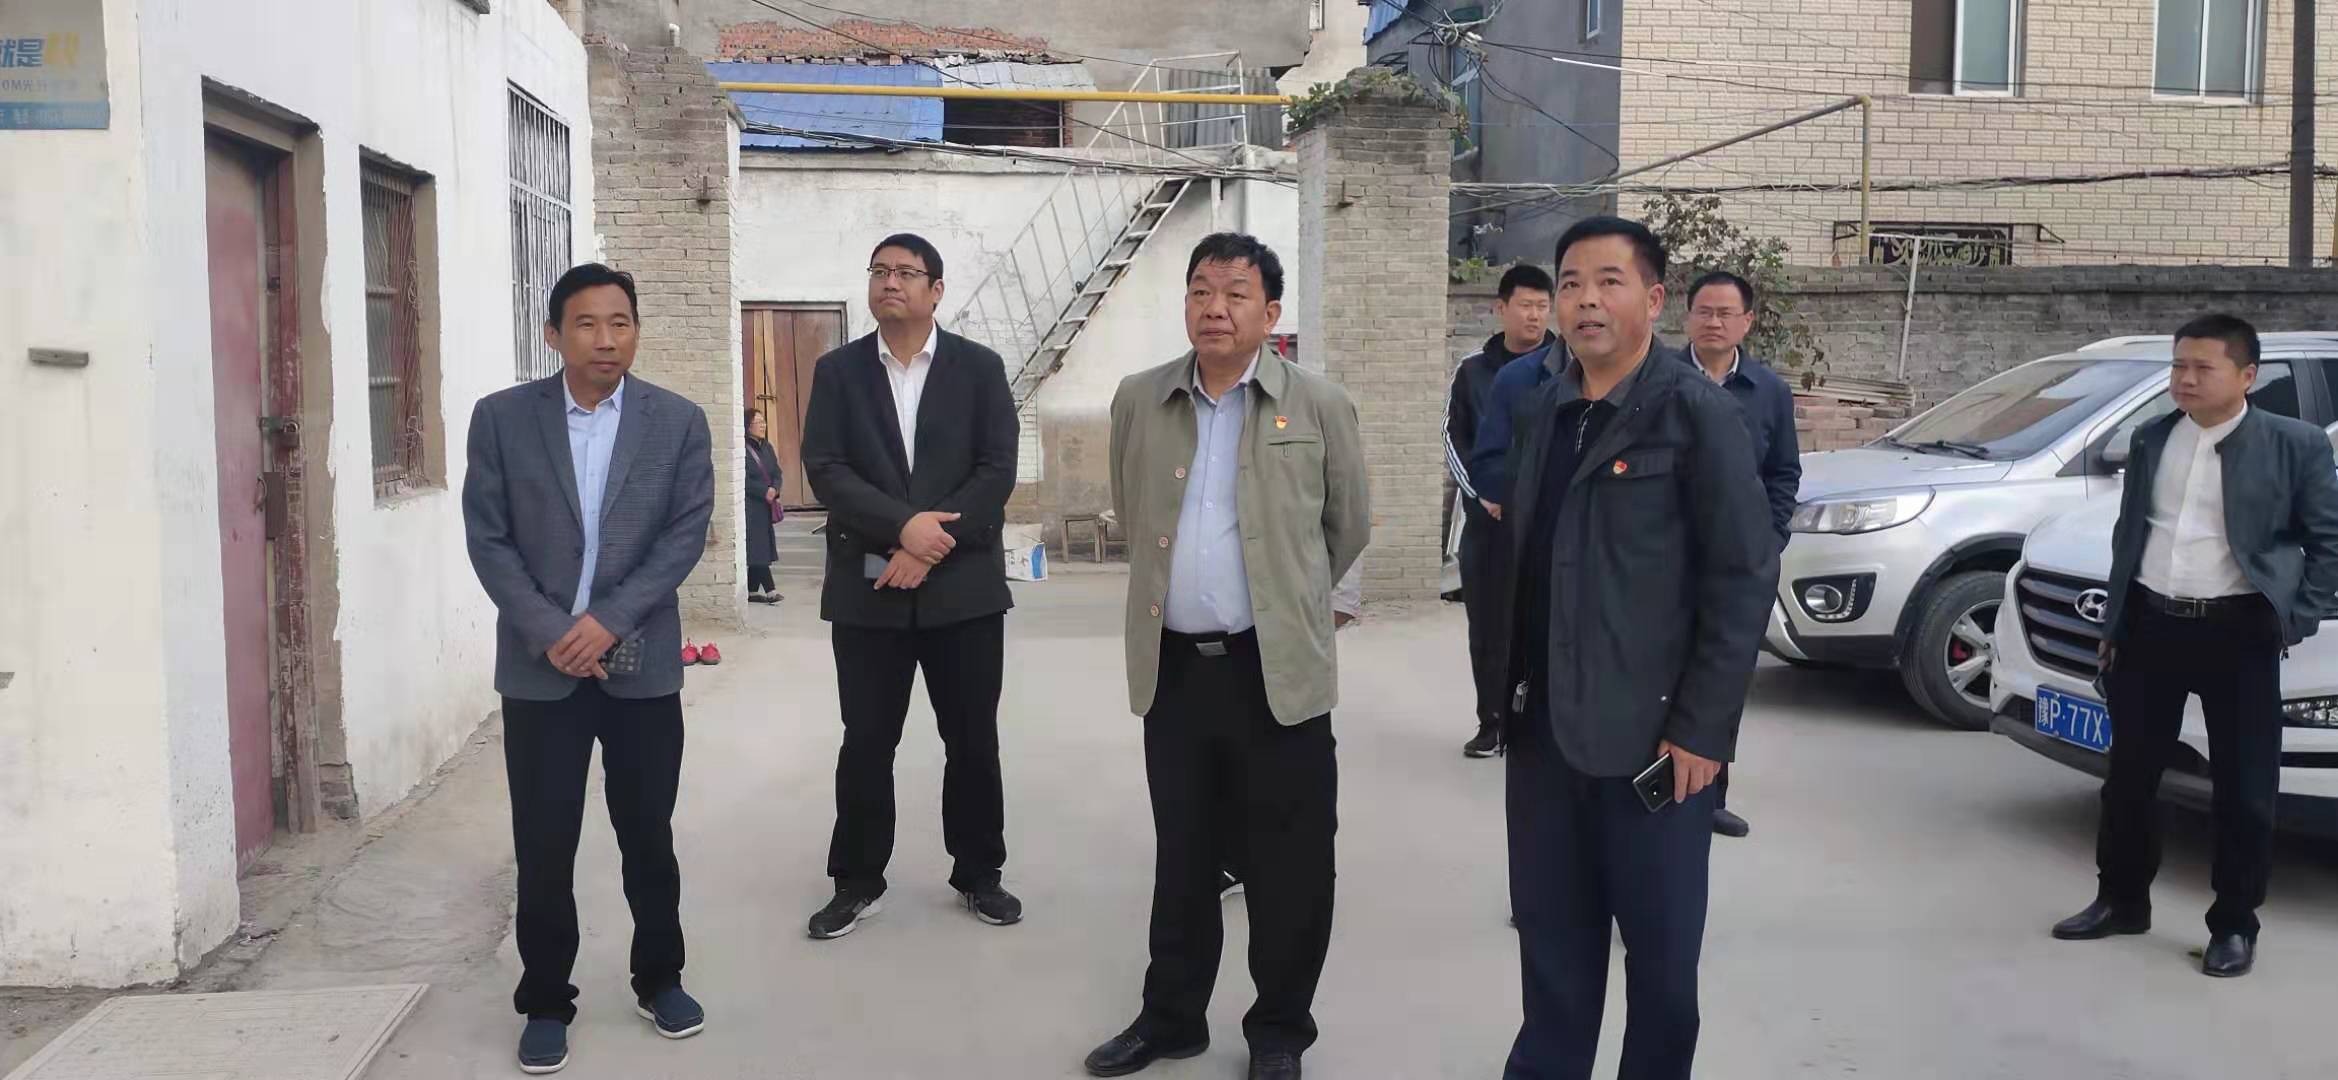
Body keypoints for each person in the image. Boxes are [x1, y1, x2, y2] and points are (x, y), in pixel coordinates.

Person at [1084, 233, 1369, 1080]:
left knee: (1290, 864)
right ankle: (1171, 1018)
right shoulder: (1140, 399)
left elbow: (1347, 525)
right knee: (1184, 855)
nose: (1215, 308)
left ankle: (1279, 1033)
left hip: (1274, 672)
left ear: (1270, 312)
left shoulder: (1317, 404)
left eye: (1235, 293)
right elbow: (1132, 509)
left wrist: (1291, 606)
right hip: (1175, 671)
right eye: (1200, 291)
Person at [1499, 218, 1775, 1080]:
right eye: (1571, 283)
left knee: (1659, 965)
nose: (1586, 301)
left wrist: (1701, 729)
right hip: (1546, 734)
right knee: (1551, 947)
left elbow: (1743, 575)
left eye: (1608, 282)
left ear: (1654, 300)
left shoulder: (1697, 413)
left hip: (1655, 745)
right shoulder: (1545, 409)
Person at [461, 262, 716, 1074]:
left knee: (647, 835)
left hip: (641, 664)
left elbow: (684, 534)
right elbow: (488, 537)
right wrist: (551, 630)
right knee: (544, 844)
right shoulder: (502, 419)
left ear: (636, 330)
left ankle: (660, 977)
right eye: (587, 323)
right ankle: (545, 1000)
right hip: (541, 669)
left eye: (620, 322)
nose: (606, 339)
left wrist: (608, 621)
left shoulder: (678, 421)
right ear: (553, 334)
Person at [2050, 313, 2338, 978]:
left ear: (2247, 375)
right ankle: (2122, 900)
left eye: (2202, 368)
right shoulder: (2154, 437)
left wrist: (2293, 618)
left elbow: (2328, 542)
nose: (2184, 379)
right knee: (2129, 779)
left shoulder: (2293, 445)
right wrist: (2115, 626)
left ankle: (2234, 924)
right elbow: (2131, 536)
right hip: (2151, 626)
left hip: (2239, 632)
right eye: (2179, 365)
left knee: (2244, 789)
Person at [799, 233, 1023, 940]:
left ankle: (979, 873)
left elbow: (996, 469)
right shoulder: (838, 372)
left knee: (972, 739)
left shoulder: (979, 369)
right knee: (867, 741)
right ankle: (857, 879)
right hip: (868, 588)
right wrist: (903, 528)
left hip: (964, 590)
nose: (890, 282)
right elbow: (826, 468)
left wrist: (929, 547)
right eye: (879, 271)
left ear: (936, 290)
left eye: (905, 272)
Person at [1681, 270, 1801, 840]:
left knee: (1725, 679)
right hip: (1668, 560)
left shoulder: (1768, 391)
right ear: (1686, 317)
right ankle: (1663, 793)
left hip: (1739, 567)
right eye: (1704, 311)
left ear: (1746, 322)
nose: (1714, 322)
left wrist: (1768, 541)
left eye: (1726, 313)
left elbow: (1783, 473)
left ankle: (1711, 797)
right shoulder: (1659, 381)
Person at [1444, 264, 1558, 758]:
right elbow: (1454, 437)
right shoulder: (1474, 370)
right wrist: (1484, 495)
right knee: (1489, 629)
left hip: (1545, 527)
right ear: (1501, 308)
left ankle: (1538, 725)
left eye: (1542, 306)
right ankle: (1492, 722)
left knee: (1545, 626)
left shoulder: (1566, 366)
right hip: (1487, 527)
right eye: (1525, 305)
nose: (1534, 315)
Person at [1467, 322, 1570, 515]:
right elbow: (1487, 460)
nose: (1588, 303)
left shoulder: (1634, 385)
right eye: (1526, 308)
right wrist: (1507, 496)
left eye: (1541, 307)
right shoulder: (1515, 377)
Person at [745, 407, 784, 604]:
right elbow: (743, 479)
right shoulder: (742, 449)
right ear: (747, 426)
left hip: (766, 505)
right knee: (758, 547)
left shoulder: (767, 447)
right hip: (751, 506)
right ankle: (770, 590)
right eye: (758, 422)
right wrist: (763, 491)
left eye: (763, 422)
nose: (763, 426)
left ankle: (751, 591)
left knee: (759, 546)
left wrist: (775, 489)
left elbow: (777, 472)